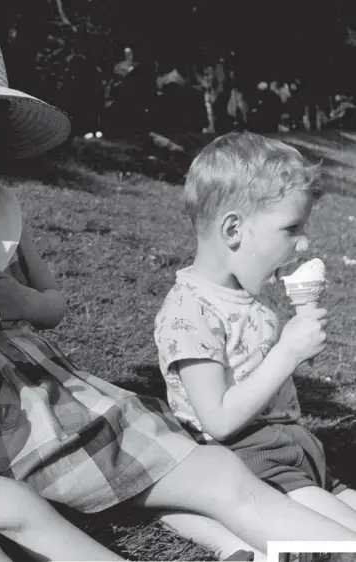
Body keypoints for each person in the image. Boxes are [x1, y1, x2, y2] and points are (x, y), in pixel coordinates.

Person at [0, 23, 356, 562]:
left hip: (47, 381)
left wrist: (24, 304)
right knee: (25, 509)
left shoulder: (2, 210)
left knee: (203, 468)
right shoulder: (189, 310)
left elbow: (53, 303)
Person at [154, 131, 356, 542]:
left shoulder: (253, 294)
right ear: (233, 229)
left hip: (298, 451)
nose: (304, 243)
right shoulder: (188, 312)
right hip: (251, 459)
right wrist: (288, 352)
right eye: (291, 228)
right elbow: (220, 421)